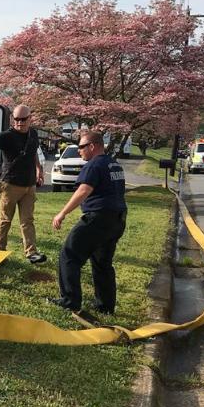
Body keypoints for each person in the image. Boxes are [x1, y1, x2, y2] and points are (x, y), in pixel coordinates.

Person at [50, 131, 128, 315]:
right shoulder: (113, 164)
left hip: (98, 218)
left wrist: (62, 213)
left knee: (69, 255)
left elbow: (83, 190)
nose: (79, 151)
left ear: (92, 146)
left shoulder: (93, 165)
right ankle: (105, 306)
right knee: (102, 263)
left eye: (81, 147)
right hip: (118, 219)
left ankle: (70, 301)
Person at [0, 104, 47, 264]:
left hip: (29, 185)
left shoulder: (33, 134)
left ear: (30, 118)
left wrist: (39, 169)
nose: (19, 122)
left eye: (23, 119)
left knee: (28, 220)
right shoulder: (8, 136)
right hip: (10, 185)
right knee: (5, 219)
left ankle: (31, 252)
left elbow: (33, 152)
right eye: (16, 119)